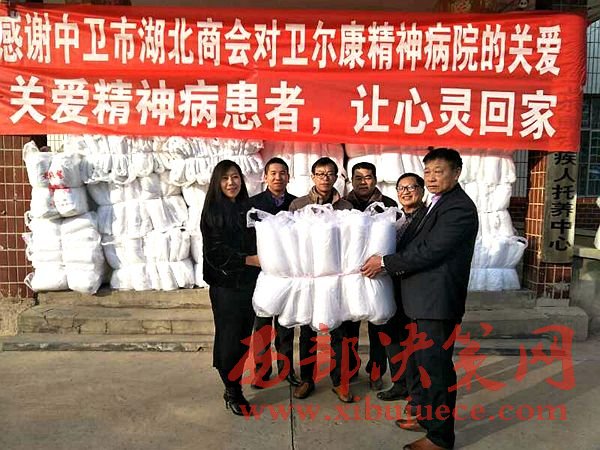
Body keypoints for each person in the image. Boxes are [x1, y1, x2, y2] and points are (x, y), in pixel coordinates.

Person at [361, 148, 478, 450]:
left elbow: (430, 251)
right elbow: (412, 243)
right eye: (428, 172)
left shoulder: (459, 209)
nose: (432, 177)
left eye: (439, 171)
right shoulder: (434, 204)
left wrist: (384, 262)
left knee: (436, 369)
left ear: (456, 173)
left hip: (436, 304)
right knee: (424, 365)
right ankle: (426, 417)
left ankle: (440, 438)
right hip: (420, 302)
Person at [289, 157, 355, 403]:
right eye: (320, 173)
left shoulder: (346, 206)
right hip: (309, 278)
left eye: (330, 174)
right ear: (313, 176)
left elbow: (351, 242)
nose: (325, 178)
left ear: (336, 177)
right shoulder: (298, 205)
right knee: (307, 332)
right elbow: (291, 240)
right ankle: (307, 379)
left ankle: (340, 381)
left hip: (337, 278)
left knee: (340, 332)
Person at [200, 159, 261, 417]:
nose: (231, 183)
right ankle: (232, 390)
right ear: (217, 182)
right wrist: (249, 260)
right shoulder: (213, 212)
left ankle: (234, 384)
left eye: (235, 177)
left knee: (244, 337)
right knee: (229, 339)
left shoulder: (247, 209)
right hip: (226, 286)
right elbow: (215, 253)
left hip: (248, 284)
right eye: (225, 178)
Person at [343, 161, 397, 391]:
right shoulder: (343, 205)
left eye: (367, 177)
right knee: (349, 327)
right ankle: (350, 368)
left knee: (378, 327)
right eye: (358, 177)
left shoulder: (389, 205)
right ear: (351, 180)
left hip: (378, 274)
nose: (363, 182)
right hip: (351, 276)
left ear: (375, 179)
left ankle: (376, 372)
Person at [249, 157, 301, 389]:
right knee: (262, 325)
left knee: (285, 326)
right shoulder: (253, 204)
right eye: (273, 173)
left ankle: (286, 371)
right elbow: (248, 238)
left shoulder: (296, 205)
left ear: (288, 177)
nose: (278, 177)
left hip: (287, 274)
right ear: (265, 177)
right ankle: (261, 372)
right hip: (262, 274)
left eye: (282, 173)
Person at [377, 173, 426, 403]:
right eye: (401, 188)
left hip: (415, 287)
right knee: (391, 337)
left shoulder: (428, 219)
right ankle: (399, 383)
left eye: (411, 187)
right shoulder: (393, 219)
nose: (405, 192)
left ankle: (417, 390)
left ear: (422, 190)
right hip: (391, 286)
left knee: (414, 341)